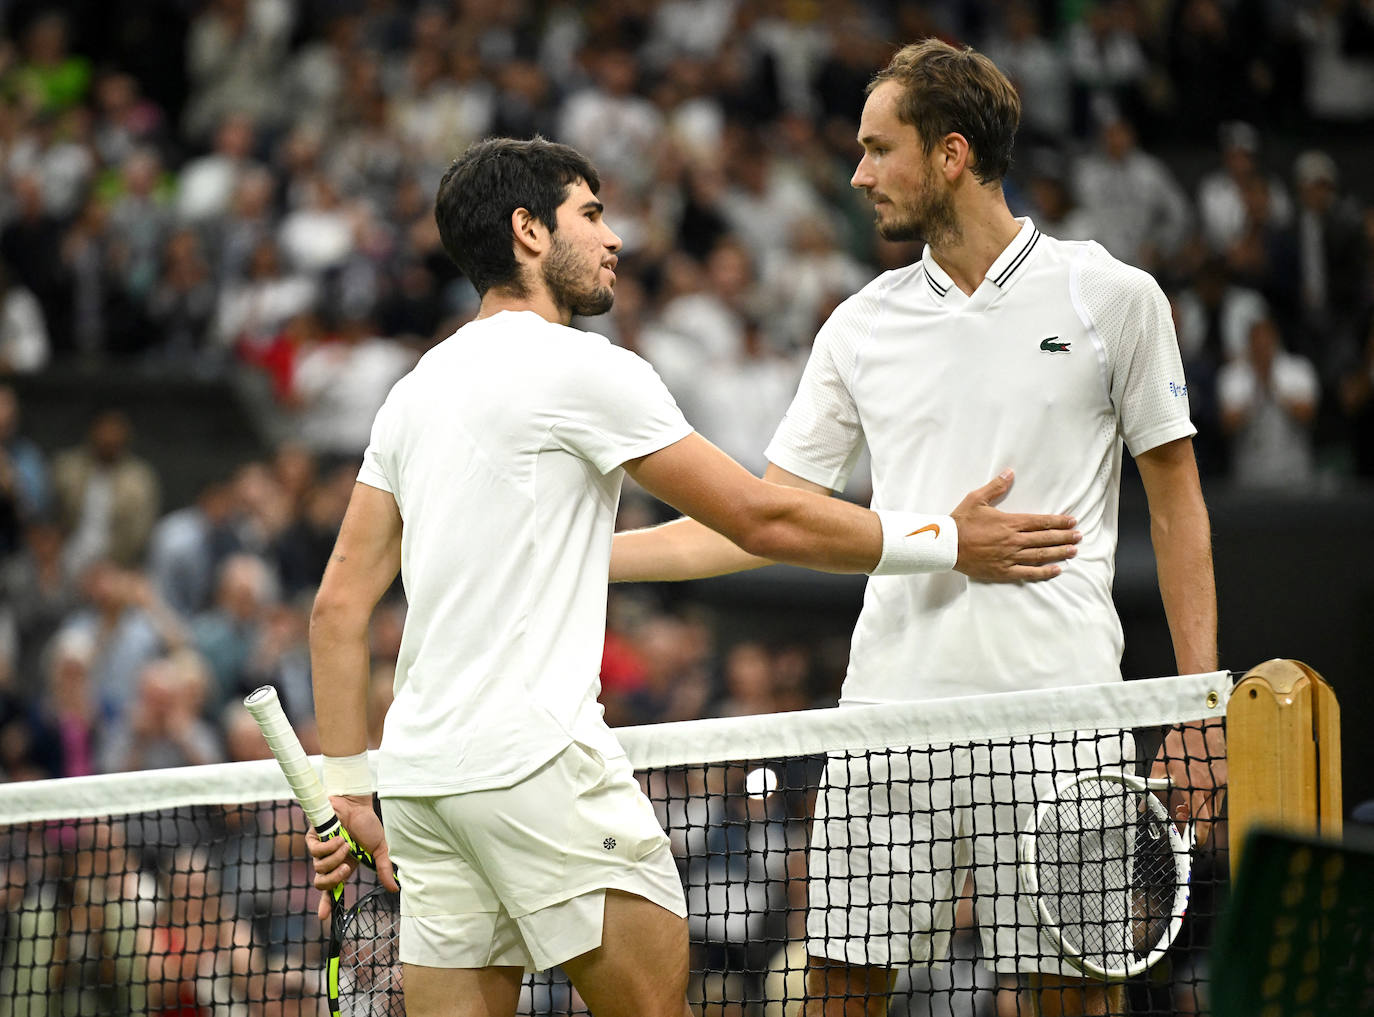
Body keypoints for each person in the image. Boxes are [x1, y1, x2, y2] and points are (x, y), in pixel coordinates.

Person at [304, 136, 1081, 1017]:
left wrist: (348, 790)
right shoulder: (585, 369)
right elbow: (761, 515)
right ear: (527, 232)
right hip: (534, 763)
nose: (614, 239)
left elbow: (337, 609)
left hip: (420, 784)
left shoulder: (413, 391)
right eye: (590, 214)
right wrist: (948, 538)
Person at [610, 40, 1220, 1017]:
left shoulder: (1112, 298)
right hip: (890, 721)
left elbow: (1178, 501)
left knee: (1072, 1000)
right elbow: (761, 521)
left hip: (1060, 722)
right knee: (839, 994)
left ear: (950, 154)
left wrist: (1198, 705)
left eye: (877, 148)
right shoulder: (858, 326)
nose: (857, 174)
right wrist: (585, 559)